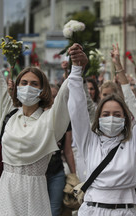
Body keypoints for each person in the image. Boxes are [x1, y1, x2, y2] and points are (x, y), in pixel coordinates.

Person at [0, 8, 73, 215]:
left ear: (42, 89)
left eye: (34, 84)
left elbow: (64, 97)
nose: (28, 87)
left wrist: (74, 70)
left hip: (35, 195)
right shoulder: (9, 114)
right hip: (6, 192)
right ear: (16, 87)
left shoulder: (49, 121)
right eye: (23, 82)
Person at [67, 44, 136, 215]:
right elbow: (76, 108)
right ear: (98, 118)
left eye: (117, 114)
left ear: (125, 119)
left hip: (124, 211)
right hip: (92, 210)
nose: (111, 118)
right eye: (106, 114)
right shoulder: (89, 142)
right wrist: (76, 69)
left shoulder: (135, 142)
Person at [46, 84, 76, 216]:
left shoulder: (64, 119)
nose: (53, 100)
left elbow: (67, 150)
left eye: (56, 97)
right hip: (37, 174)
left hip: (56, 171)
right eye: (50, 96)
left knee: (55, 210)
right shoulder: (36, 117)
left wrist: (74, 176)